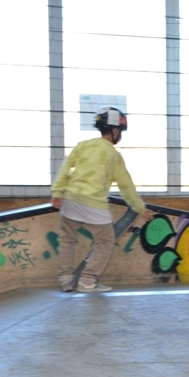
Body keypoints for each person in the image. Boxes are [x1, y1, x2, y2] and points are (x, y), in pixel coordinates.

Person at [50, 107, 153, 293]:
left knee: (67, 239)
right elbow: (126, 186)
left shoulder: (83, 145)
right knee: (105, 241)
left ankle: (66, 279)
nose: (120, 135)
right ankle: (87, 280)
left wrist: (57, 192)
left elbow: (65, 168)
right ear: (114, 130)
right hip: (93, 203)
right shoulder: (113, 155)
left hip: (70, 198)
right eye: (120, 131)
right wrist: (140, 208)